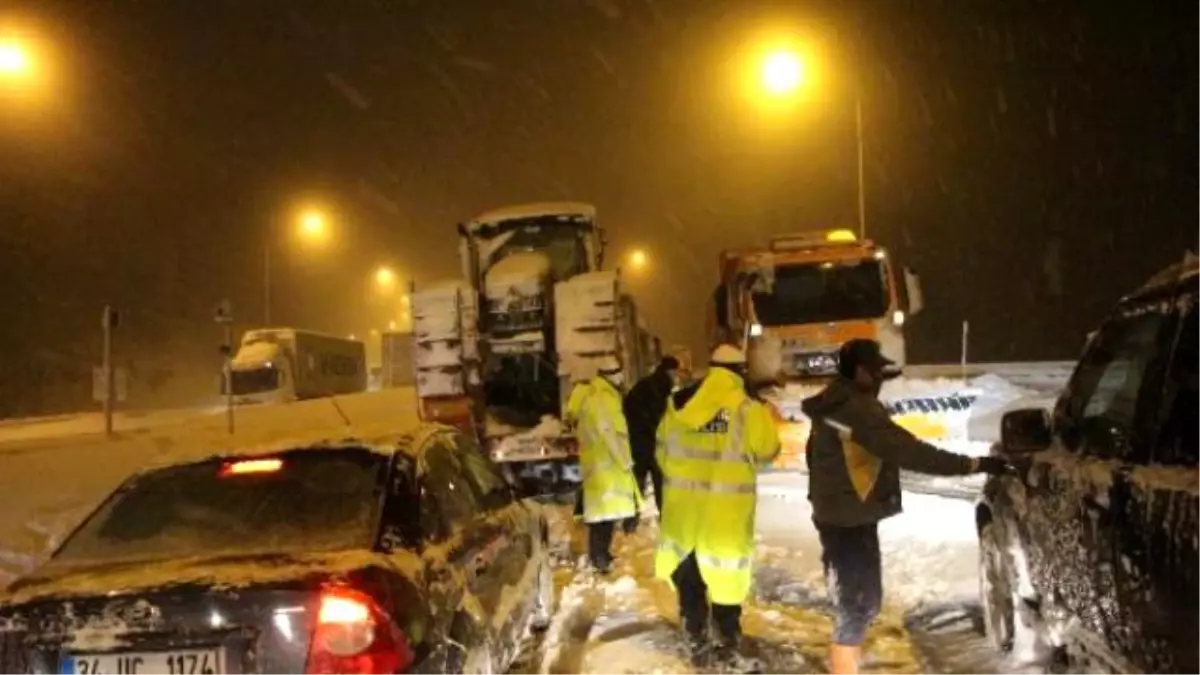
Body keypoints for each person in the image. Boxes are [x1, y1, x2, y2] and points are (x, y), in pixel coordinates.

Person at [802, 338, 1013, 675]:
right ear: (860, 372)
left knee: (858, 601)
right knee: (859, 604)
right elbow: (908, 451)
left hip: (842, 515)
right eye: (876, 371)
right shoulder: (856, 408)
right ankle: (843, 669)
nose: (881, 378)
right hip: (848, 519)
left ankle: (846, 662)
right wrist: (974, 465)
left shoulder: (837, 402)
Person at [655, 344, 780, 667]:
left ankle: (696, 640)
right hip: (724, 518)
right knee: (726, 583)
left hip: (684, 516)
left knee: (690, 583)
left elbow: (661, 453)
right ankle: (726, 645)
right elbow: (768, 449)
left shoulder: (678, 404)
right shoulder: (746, 409)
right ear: (739, 371)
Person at [565, 360, 642, 574]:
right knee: (603, 518)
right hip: (607, 467)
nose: (621, 378)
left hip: (600, 466)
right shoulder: (603, 399)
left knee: (604, 516)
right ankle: (599, 558)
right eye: (618, 374)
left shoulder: (598, 395)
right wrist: (625, 460)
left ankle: (601, 555)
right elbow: (610, 434)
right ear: (610, 376)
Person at [622, 355, 681, 517]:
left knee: (638, 480)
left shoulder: (645, 384)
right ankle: (665, 515)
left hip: (637, 441)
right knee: (660, 482)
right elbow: (661, 416)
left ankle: (632, 517)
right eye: (676, 372)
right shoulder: (662, 387)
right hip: (653, 442)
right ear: (670, 371)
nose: (677, 376)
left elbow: (629, 408)